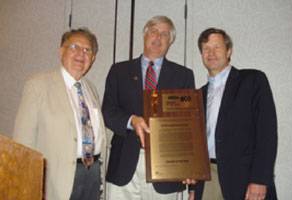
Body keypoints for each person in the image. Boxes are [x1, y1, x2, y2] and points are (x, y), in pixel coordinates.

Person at [102, 15, 195, 200]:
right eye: (154, 32)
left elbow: (189, 124)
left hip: (167, 169)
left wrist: (189, 167)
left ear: (170, 42)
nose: (158, 38)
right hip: (124, 166)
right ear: (145, 35)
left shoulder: (183, 75)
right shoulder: (119, 71)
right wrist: (131, 121)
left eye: (165, 34)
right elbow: (108, 111)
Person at [13, 28, 107, 200]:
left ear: (92, 59)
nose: (81, 54)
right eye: (74, 47)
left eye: (87, 50)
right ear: (61, 51)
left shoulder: (91, 89)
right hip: (56, 179)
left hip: (92, 173)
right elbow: (22, 143)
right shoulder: (38, 85)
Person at [190, 27, 278, 200]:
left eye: (217, 47)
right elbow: (194, 143)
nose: (211, 53)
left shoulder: (253, 81)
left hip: (245, 178)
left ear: (229, 51)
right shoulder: (197, 95)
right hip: (207, 178)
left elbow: (267, 134)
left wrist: (260, 179)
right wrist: (193, 188)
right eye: (206, 49)